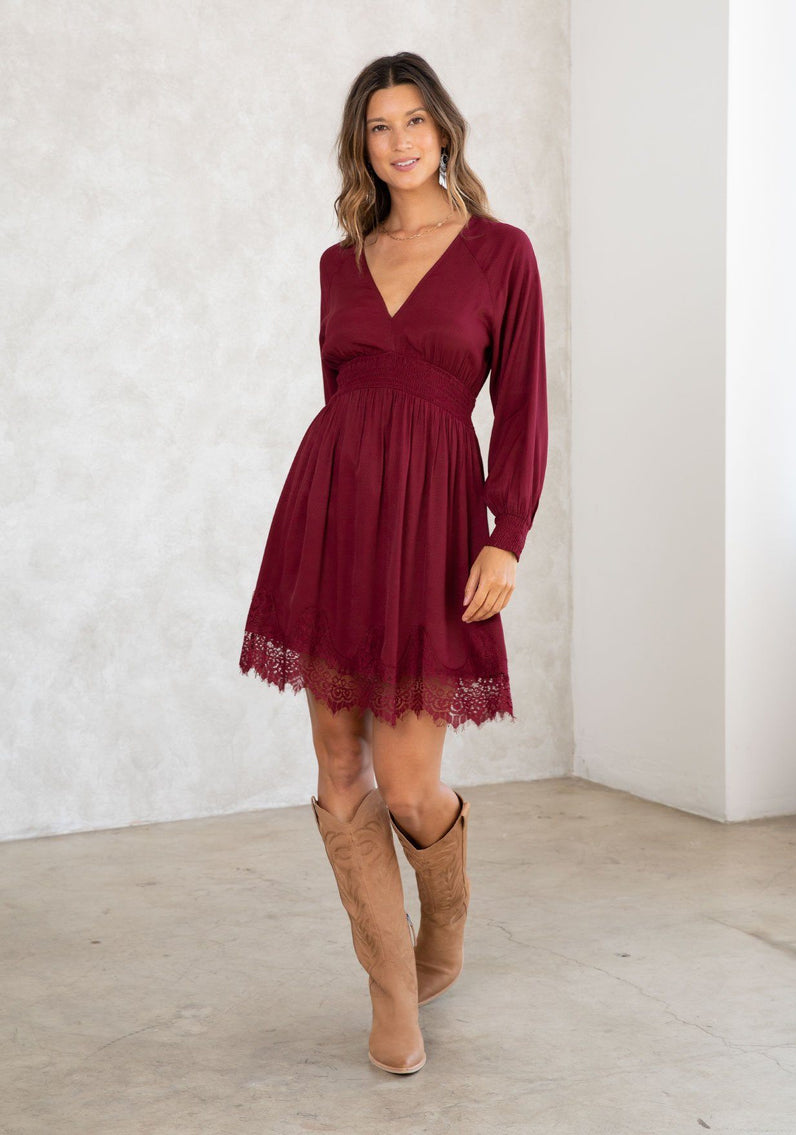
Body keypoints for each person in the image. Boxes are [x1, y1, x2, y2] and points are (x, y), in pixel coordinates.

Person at [239, 51, 548, 1075]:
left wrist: (506, 532)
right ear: (360, 145)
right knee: (339, 770)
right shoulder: (341, 262)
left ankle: (444, 919)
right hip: (332, 520)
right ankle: (390, 993)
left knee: (410, 786)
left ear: (444, 130)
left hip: (437, 530)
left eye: (414, 120)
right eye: (379, 126)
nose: (399, 140)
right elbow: (344, 402)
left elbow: (522, 407)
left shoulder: (501, 253)